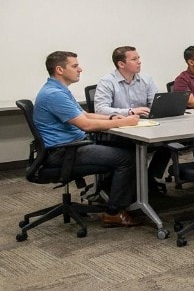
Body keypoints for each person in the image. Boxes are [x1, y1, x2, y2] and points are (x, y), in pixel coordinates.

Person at [34, 51, 143, 227]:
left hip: (70, 146)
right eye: (75, 66)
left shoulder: (59, 90)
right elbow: (86, 125)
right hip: (63, 152)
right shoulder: (55, 94)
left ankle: (107, 195)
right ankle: (113, 212)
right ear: (60, 69)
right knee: (128, 157)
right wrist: (124, 122)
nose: (80, 69)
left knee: (121, 147)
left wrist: (112, 118)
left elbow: (85, 115)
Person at [94, 46, 171, 193]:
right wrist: (129, 112)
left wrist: (159, 108)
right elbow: (100, 109)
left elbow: (154, 102)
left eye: (139, 58)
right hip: (118, 130)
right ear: (121, 64)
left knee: (167, 145)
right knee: (131, 152)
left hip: (144, 126)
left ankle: (149, 179)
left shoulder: (146, 79)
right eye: (134, 59)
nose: (139, 62)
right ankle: (122, 187)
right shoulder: (107, 81)